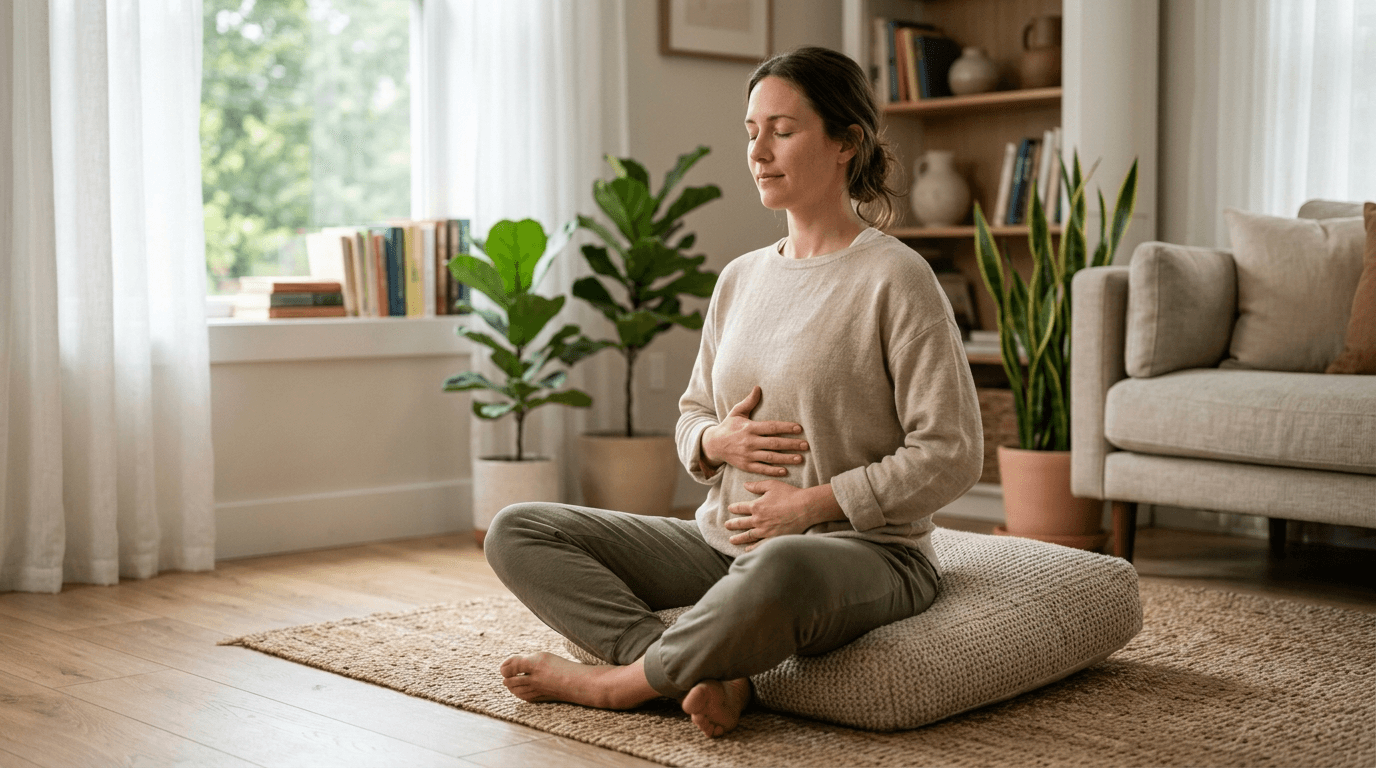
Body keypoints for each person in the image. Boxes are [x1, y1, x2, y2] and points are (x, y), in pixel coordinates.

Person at [483, 46, 983, 739]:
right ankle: (700, 670)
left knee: (782, 565)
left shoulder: (896, 278)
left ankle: (621, 684)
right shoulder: (740, 279)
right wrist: (714, 441)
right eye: (751, 131)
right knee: (519, 529)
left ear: (847, 143)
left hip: (865, 552)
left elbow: (951, 453)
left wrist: (809, 506)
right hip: (723, 543)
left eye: (782, 129)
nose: (759, 150)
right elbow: (693, 413)